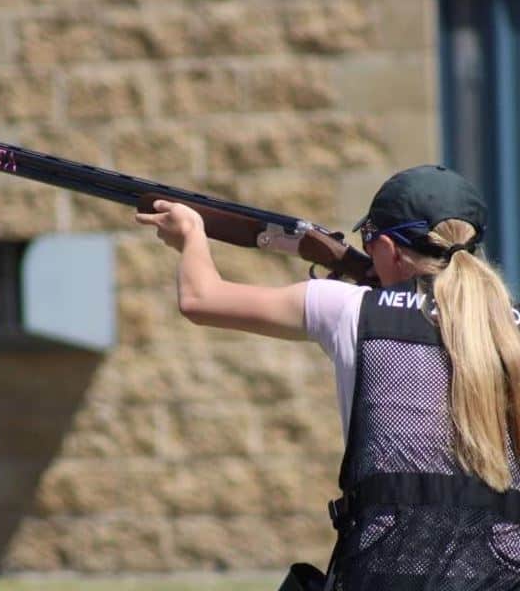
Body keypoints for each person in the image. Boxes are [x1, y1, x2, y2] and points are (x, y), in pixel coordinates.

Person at [136, 164, 520, 590]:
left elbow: (199, 298)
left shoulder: (349, 310)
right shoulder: (512, 331)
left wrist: (190, 233)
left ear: (389, 250)